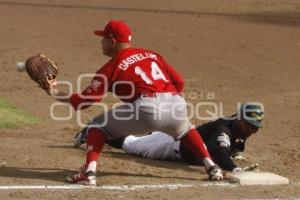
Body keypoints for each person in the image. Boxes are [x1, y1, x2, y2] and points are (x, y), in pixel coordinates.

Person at [46, 20, 223, 185]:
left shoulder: (109, 68)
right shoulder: (152, 54)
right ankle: (212, 167)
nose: (101, 43)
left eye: (103, 39)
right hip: (176, 103)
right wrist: (169, 103)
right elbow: (180, 82)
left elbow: (83, 102)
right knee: (186, 130)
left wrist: (54, 91)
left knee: (96, 127)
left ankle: (89, 173)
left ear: (112, 41)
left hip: (147, 110)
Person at [74, 103, 264, 172]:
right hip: (170, 147)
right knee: (131, 144)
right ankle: (93, 130)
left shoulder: (239, 129)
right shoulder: (224, 129)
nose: (251, 130)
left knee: (148, 134)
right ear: (239, 118)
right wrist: (235, 169)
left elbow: (231, 147)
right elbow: (220, 154)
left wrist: (235, 154)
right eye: (248, 124)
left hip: (176, 139)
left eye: (254, 128)